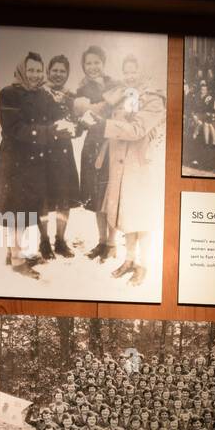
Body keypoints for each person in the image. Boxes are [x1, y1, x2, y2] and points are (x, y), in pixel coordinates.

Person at [0, 51, 77, 279]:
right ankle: (18, 261)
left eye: (38, 71)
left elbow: (54, 118)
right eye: (31, 70)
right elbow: (15, 128)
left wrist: (71, 123)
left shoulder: (43, 96)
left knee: (24, 210)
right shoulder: (8, 94)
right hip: (14, 159)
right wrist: (50, 131)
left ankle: (12, 253)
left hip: (31, 161)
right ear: (22, 70)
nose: (35, 75)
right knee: (16, 211)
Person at [82, 56, 166, 286]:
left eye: (134, 71)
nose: (129, 76)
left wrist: (104, 126)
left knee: (143, 218)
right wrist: (92, 114)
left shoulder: (154, 99)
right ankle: (129, 260)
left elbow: (137, 129)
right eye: (126, 72)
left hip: (142, 165)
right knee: (127, 214)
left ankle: (144, 264)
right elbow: (112, 114)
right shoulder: (125, 95)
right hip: (121, 164)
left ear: (143, 71)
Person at [72, 45, 120, 262]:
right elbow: (81, 121)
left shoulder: (116, 85)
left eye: (96, 62)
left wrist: (94, 108)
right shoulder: (81, 91)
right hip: (92, 146)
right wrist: (85, 116)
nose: (92, 67)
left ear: (103, 63)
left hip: (113, 144)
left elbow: (121, 113)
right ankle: (101, 242)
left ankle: (112, 243)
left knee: (111, 195)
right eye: (88, 63)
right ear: (83, 66)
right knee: (97, 196)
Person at [39, 54, 81, 259]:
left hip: (64, 153)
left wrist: (76, 129)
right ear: (48, 72)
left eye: (62, 71)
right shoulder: (39, 93)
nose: (58, 74)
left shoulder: (71, 97)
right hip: (43, 152)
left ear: (67, 74)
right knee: (44, 198)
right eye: (54, 70)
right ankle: (44, 241)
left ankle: (60, 240)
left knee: (64, 199)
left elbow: (79, 125)